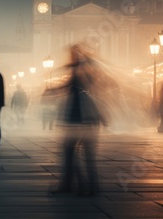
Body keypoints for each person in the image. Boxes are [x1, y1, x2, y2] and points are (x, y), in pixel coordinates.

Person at [54, 44, 109, 196]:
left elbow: (78, 87)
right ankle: (87, 186)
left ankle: (77, 186)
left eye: (73, 53)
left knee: (71, 151)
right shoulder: (83, 69)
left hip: (82, 117)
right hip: (83, 117)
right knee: (80, 153)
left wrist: (54, 89)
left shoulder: (83, 70)